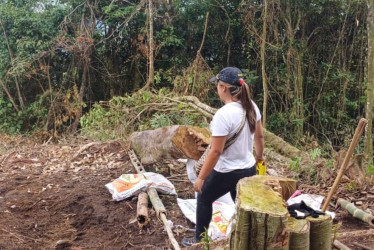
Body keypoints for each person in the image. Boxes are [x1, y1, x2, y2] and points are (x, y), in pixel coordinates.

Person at [181, 67, 265, 247]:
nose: (217, 89)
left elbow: (216, 151)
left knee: (203, 198)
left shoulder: (223, 115)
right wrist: (259, 157)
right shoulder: (252, 106)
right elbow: (259, 137)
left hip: (226, 171)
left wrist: (201, 178)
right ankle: (248, 239)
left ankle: (200, 241)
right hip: (248, 168)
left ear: (223, 88)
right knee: (242, 204)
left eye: (217, 85)